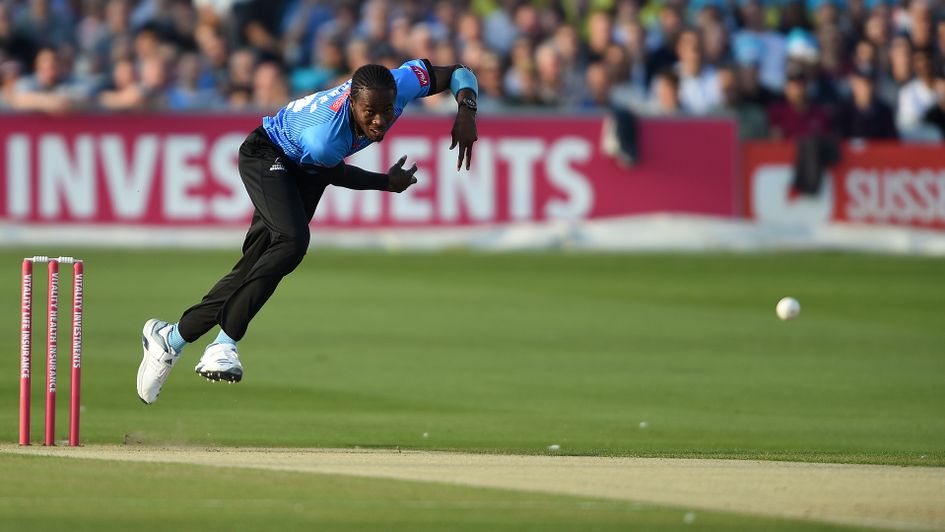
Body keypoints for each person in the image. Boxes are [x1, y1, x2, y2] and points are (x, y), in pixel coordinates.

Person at [136, 59, 479, 404]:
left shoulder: (400, 82)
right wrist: (385, 182)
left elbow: (457, 72)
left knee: (255, 266)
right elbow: (333, 173)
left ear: (396, 95)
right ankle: (224, 343)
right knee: (292, 242)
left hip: (304, 167)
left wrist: (466, 111)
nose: (380, 120)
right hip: (267, 153)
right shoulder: (325, 137)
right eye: (369, 111)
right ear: (352, 104)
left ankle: (171, 338)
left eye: (387, 110)